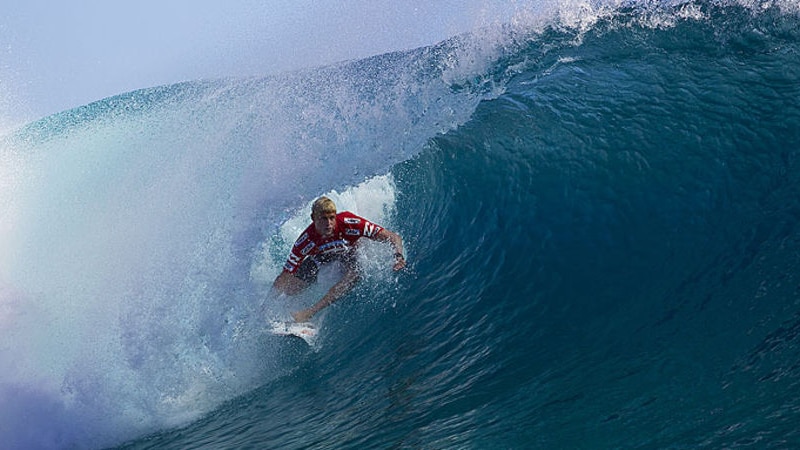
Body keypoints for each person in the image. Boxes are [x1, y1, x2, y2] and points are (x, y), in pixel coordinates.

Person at [273, 196, 405, 322]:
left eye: (332, 218)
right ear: (313, 218)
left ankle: (308, 313)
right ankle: (280, 310)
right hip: (322, 256)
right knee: (290, 289)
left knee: (354, 274)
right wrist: (265, 306)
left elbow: (393, 237)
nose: (329, 224)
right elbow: (285, 274)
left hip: (349, 253)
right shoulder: (306, 240)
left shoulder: (350, 223)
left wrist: (398, 256)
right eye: (323, 219)